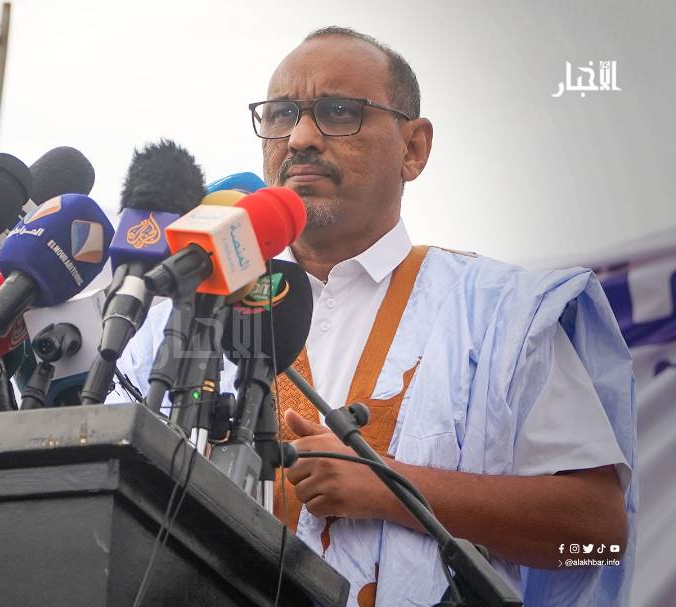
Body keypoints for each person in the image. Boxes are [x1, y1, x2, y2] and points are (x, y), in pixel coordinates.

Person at [119, 26, 635, 606]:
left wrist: (389, 486)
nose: (301, 138)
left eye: (339, 112)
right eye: (282, 114)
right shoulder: (181, 318)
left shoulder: (503, 315)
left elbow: (599, 541)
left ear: (413, 149)